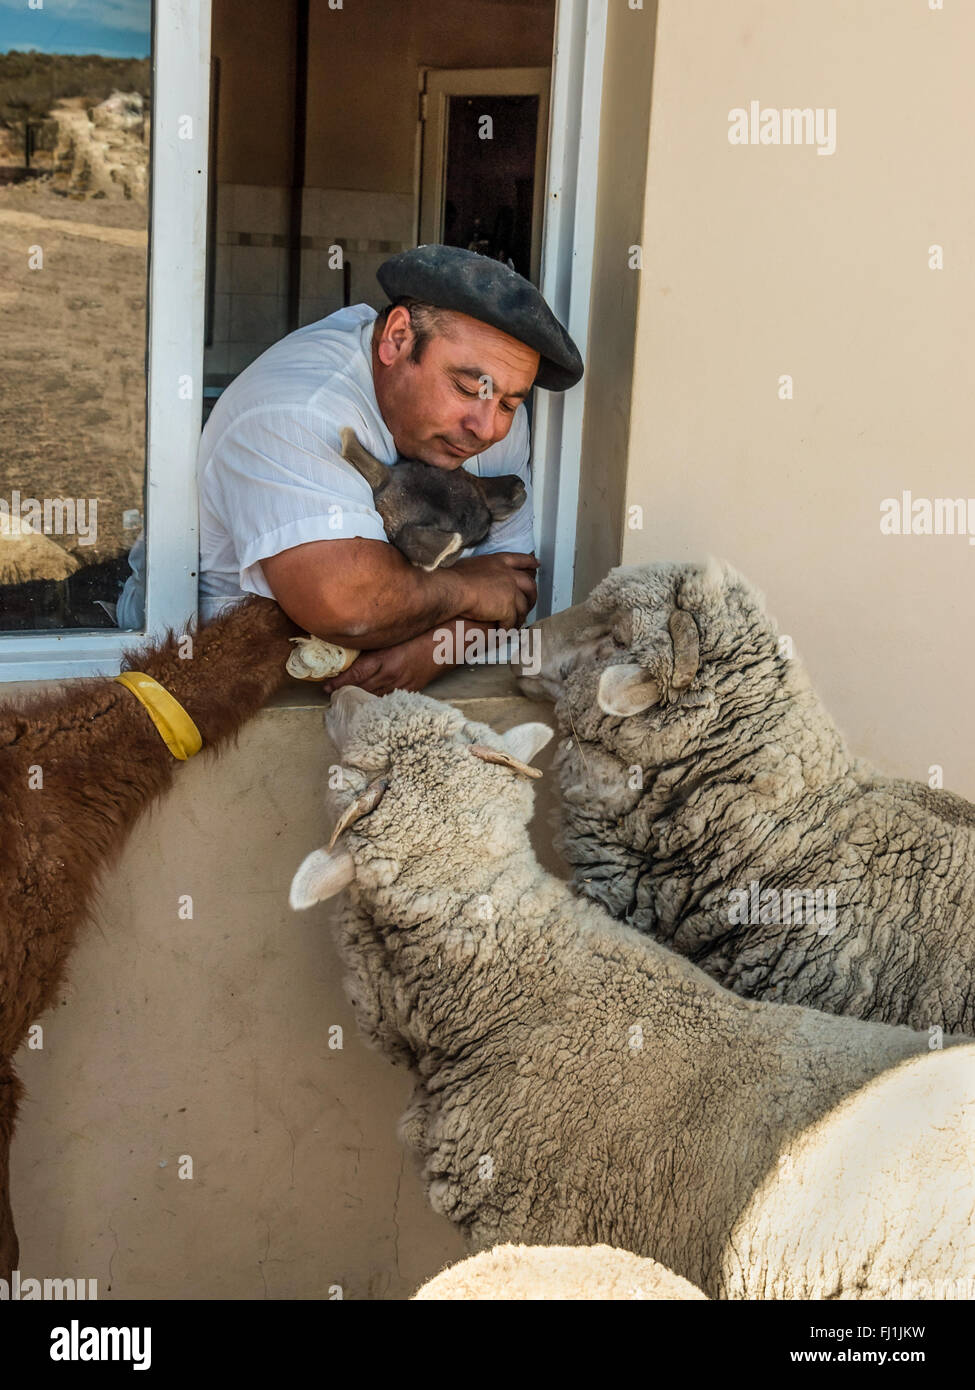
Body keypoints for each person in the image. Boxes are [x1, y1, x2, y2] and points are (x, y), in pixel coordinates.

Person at [118, 244, 583, 694]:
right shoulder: (299, 408)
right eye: (464, 388)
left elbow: (514, 585)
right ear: (397, 339)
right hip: (213, 678)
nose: (486, 427)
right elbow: (348, 604)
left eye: (509, 402)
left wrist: (433, 653)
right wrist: (467, 590)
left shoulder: (488, 407)